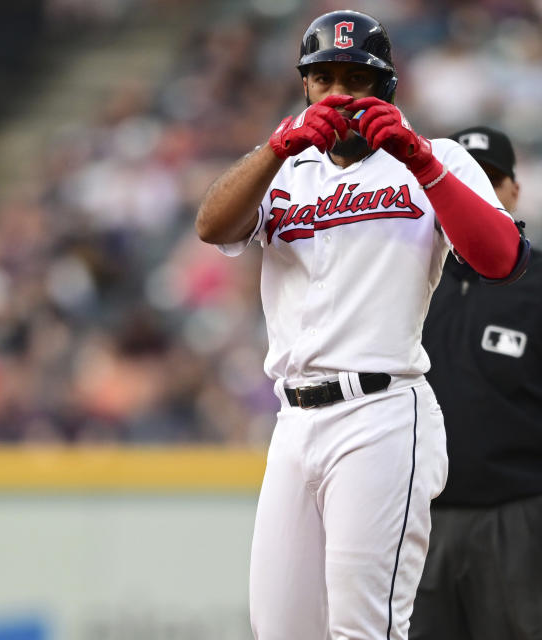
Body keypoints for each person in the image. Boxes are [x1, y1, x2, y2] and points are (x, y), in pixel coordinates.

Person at [194, 10, 529, 640]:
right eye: (324, 79)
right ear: (304, 87)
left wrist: (420, 158)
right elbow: (213, 225)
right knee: (282, 629)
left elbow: (502, 258)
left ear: (388, 88)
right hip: (293, 422)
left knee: (363, 629)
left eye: (357, 79)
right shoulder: (285, 170)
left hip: (380, 412)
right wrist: (276, 145)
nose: (340, 95)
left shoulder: (439, 160)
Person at [410, 126, 542, 639]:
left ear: (514, 189)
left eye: (489, 179)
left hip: (519, 521)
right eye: (462, 179)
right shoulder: (398, 273)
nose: (476, 191)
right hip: (415, 516)